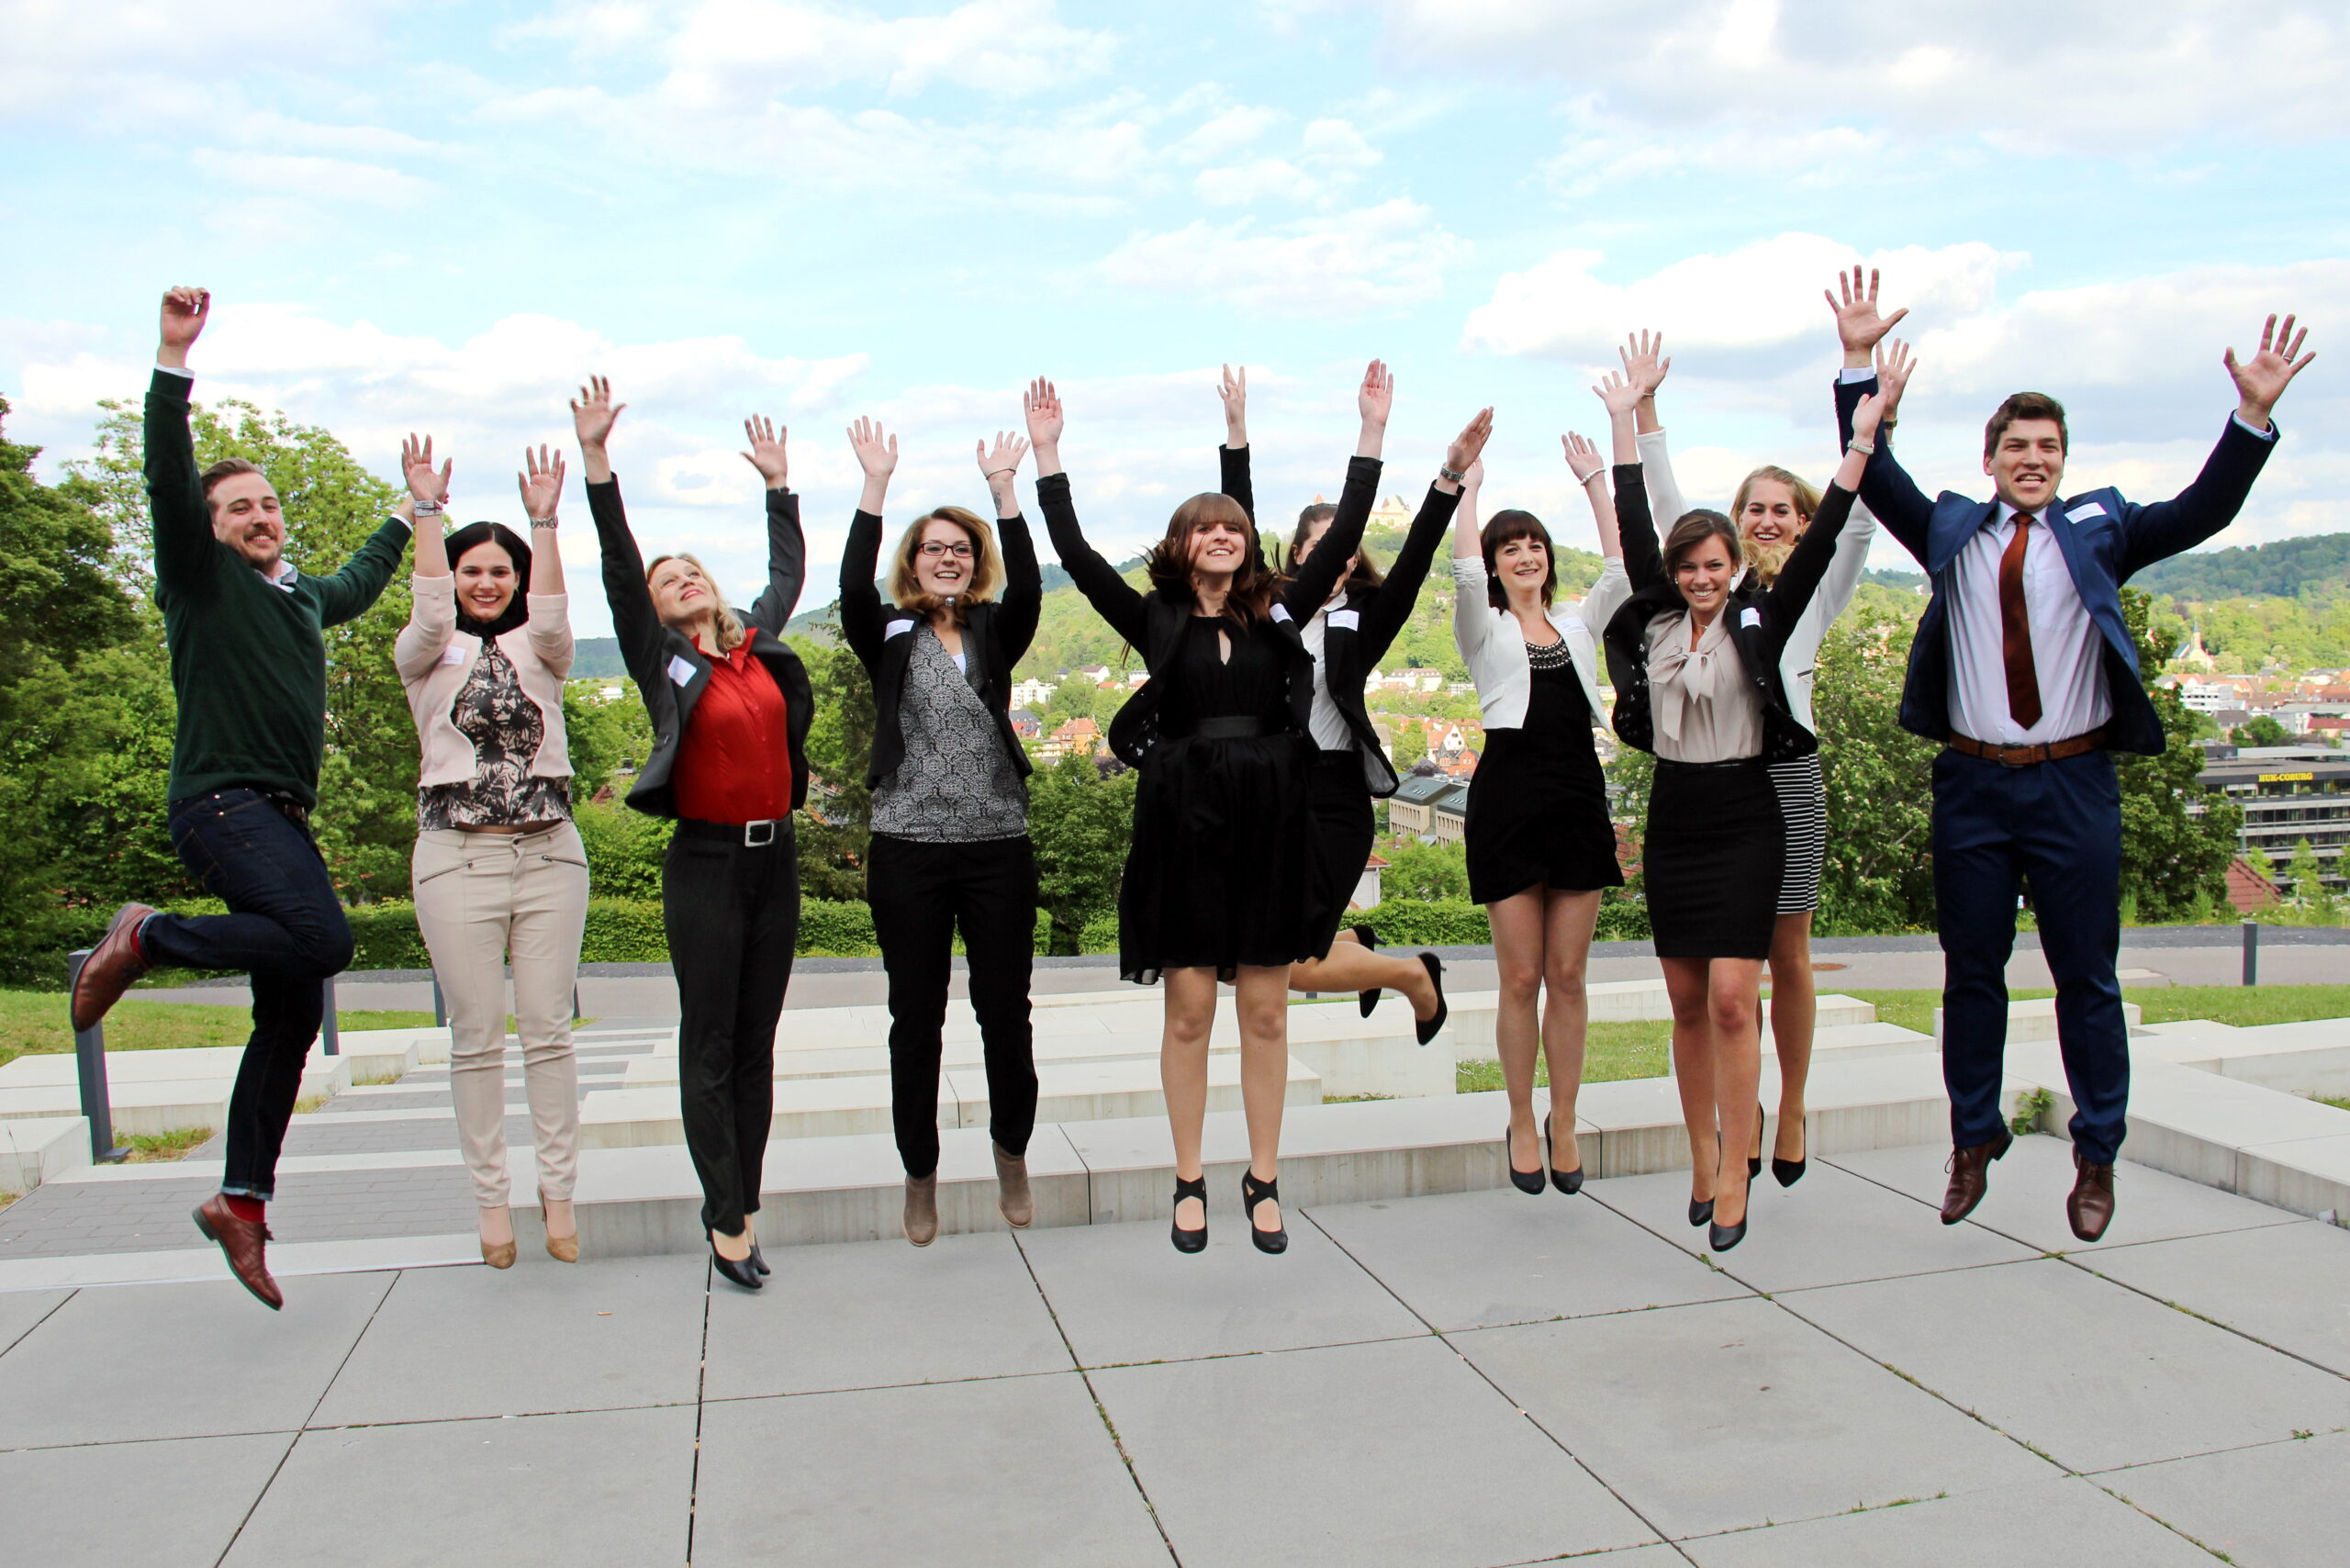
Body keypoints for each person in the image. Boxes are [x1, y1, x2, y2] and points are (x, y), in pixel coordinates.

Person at [1835, 300, 2312, 1243]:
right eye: (2016, 444)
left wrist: (2249, 420)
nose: (2033, 459)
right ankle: (1973, 1136)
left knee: (2083, 977)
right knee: (1970, 972)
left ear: (2063, 458)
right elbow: (1871, 470)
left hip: (2072, 785)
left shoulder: (2102, 527)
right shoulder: (1949, 531)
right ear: (1989, 457)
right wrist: (1856, 368)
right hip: (1971, 784)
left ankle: (2097, 1149)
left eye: (2048, 445)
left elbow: (2202, 510)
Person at [1033, 366, 1431, 1256]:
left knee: (1264, 1009)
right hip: (1184, 825)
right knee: (1186, 1011)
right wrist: (1050, 460)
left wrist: (1370, 432)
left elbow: (1350, 535)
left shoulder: (1280, 611)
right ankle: (1185, 1177)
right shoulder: (1156, 618)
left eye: (1234, 526)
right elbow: (1079, 557)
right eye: (1204, 526)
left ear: (1249, 546)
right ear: (1181, 544)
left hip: (1268, 822)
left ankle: (1262, 1174)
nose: (1221, 534)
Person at [71, 287, 412, 1310]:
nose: (257, 518)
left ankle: (241, 1202)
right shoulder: (200, 578)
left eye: (266, 505)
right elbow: (168, 481)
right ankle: (150, 937)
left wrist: (409, 509)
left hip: (279, 816)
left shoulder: (297, 594)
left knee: (293, 1009)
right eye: (238, 509)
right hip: (222, 803)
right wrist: (173, 362)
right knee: (326, 941)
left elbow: (354, 581)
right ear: (211, 529)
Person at [1603, 362, 1892, 1253]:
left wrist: (1865, 432)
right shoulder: (1669, 605)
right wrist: (1635, 417)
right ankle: (1710, 1148)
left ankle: (1771, 1125)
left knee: (1762, 974)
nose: (1763, 522)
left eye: (1779, 510)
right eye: (1750, 509)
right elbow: (1653, 516)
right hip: (1683, 807)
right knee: (1695, 997)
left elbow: (1843, 523)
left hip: (1769, 789)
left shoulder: (1780, 604)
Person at [578, 377, 813, 1292]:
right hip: (707, 867)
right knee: (709, 1043)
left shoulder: (754, 644)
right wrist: (600, 467)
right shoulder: (663, 658)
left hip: (776, 862)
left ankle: (742, 1202)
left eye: (692, 572)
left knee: (755, 1045)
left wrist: (779, 488)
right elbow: (616, 567)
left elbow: (789, 575)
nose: (682, 579)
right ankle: (722, 1217)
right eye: (664, 578)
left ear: (713, 591)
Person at [838, 419, 1044, 1247]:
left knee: (1006, 1013)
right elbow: (853, 586)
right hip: (908, 848)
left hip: (997, 845)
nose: (948, 557)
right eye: (934, 548)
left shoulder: (997, 629)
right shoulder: (888, 631)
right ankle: (919, 1173)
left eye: (961, 547)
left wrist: (1006, 491)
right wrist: (875, 488)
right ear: (914, 561)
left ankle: (1011, 1152)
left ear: (975, 558)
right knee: (914, 1020)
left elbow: (1029, 585)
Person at [393, 435, 588, 1269]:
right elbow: (433, 608)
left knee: (548, 1031)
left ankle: (558, 1190)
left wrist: (543, 522)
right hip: (455, 857)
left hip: (548, 854)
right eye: (473, 569)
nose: (485, 582)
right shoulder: (425, 651)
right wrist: (427, 512)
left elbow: (552, 614)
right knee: (475, 1036)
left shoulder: (543, 651)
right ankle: (489, 1201)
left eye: (498, 571)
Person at [1209, 364, 1450, 1036]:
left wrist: (1446, 484)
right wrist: (1236, 434)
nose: (1334, 557)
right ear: (1298, 555)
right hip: (1272, 796)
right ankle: (1381, 963)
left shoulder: (1361, 624)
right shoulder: (1267, 614)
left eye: (1342, 547)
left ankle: (1406, 973)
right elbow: (1239, 522)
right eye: (1318, 546)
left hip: (1338, 796)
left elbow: (1416, 562)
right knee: (1249, 959)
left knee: (1285, 960)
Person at [1451, 401, 1633, 1198]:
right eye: (1510, 548)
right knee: (1519, 977)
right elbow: (1460, 571)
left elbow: (1626, 572)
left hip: (1577, 797)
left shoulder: (1578, 625)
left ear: (1549, 560)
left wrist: (1596, 483)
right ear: (1496, 563)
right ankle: (1520, 1117)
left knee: (1569, 975)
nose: (1524, 555)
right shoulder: (1484, 631)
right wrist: (1467, 489)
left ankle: (1565, 1116)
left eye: (1534, 546)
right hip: (1509, 797)